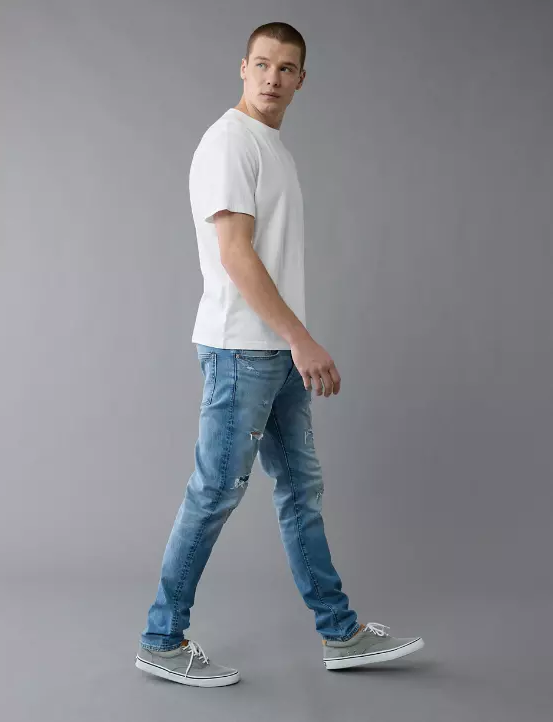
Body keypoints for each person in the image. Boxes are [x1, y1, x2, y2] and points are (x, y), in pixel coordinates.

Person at [135, 21, 424, 688]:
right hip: (244, 349)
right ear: (243, 68)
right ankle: (161, 639)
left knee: (300, 491)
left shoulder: (271, 146)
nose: (272, 77)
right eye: (262, 64)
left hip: (273, 348)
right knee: (215, 492)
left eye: (286, 68)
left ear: (300, 80)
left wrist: (291, 341)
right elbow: (235, 256)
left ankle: (340, 633)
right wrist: (301, 338)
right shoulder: (230, 142)